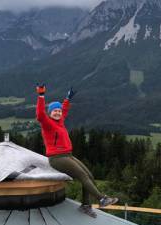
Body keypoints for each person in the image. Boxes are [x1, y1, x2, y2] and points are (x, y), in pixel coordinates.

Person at [35, 83, 118, 217]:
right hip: (57, 158)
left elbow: (65, 111)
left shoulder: (60, 121)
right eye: (54, 111)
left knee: (89, 175)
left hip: (68, 155)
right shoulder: (47, 124)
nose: (58, 112)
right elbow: (40, 114)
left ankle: (85, 205)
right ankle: (102, 198)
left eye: (59, 111)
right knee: (82, 176)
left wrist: (67, 99)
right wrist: (41, 95)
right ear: (49, 113)